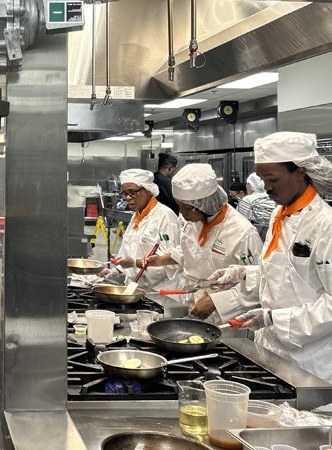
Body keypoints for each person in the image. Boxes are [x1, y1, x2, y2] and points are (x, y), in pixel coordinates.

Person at [209, 131, 332, 382]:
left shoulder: (325, 225)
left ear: (300, 172)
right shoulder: (280, 213)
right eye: (262, 178)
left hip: (309, 364)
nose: (266, 187)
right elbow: (284, 275)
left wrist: (274, 317)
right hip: (270, 352)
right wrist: (242, 273)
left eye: (272, 178)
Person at [144, 164, 263, 323]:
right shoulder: (193, 219)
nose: (182, 214)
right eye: (179, 206)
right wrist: (161, 259)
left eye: (186, 208)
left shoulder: (242, 233)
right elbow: (191, 249)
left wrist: (218, 301)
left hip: (225, 318)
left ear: (205, 204)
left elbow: (257, 284)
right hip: (191, 303)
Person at [103, 169, 181, 292]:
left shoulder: (165, 216)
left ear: (148, 190)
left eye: (132, 192)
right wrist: (116, 270)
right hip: (136, 289)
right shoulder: (137, 216)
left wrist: (134, 263)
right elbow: (129, 249)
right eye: (125, 193)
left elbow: (171, 262)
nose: (128, 198)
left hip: (159, 292)